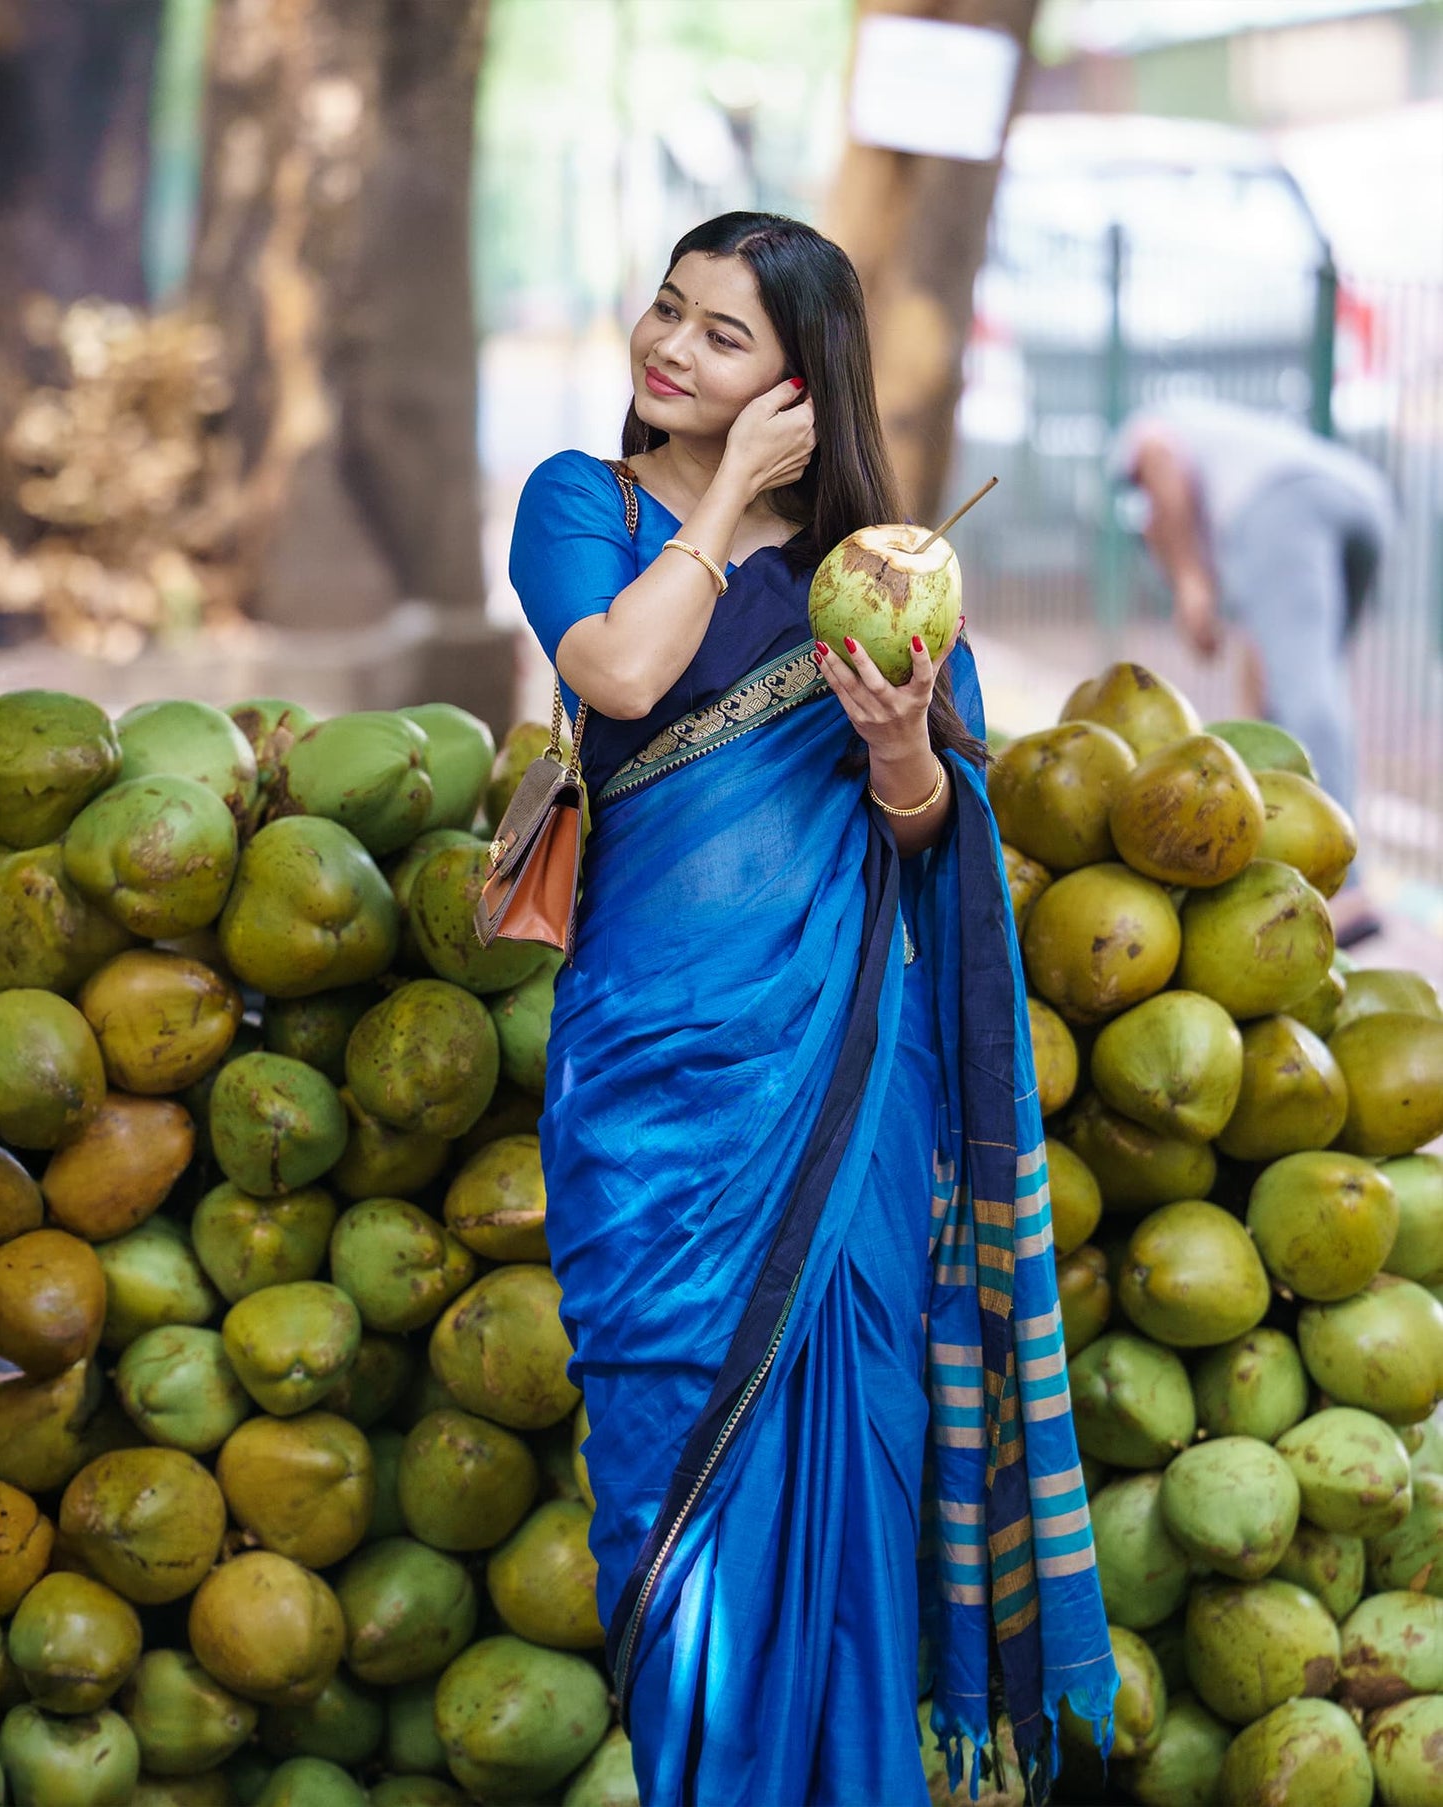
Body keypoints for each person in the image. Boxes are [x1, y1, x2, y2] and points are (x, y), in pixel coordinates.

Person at [509, 212, 1116, 1807]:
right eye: (667, 309)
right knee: (666, 1490)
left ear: (801, 380)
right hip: (647, 1094)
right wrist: (721, 498)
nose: (669, 345)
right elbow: (621, 674)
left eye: (722, 333)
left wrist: (902, 744)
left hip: (843, 1103)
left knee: (849, 1471)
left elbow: (930, 840)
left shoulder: (883, 579)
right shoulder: (581, 504)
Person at [1109, 396, 1394, 946]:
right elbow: (1259, 660)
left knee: (1305, 693)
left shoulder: (1149, 436)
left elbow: (1157, 459)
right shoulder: (1232, 462)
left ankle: (1347, 889)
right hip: (1362, 498)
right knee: (1304, 683)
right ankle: (1299, 856)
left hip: (1289, 502)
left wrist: (1190, 583)